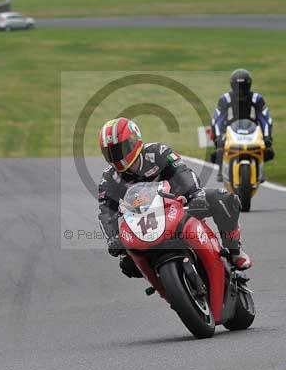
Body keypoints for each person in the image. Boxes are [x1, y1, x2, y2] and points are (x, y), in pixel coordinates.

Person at [97, 117, 252, 278]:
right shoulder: (109, 178)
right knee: (128, 264)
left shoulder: (158, 152)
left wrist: (195, 194)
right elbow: (106, 211)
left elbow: (183, 172)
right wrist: (112, 237)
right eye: (110, 152)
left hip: (180, 205)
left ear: (133, 141)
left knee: (224, 199)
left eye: (119, 149)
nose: (116, 156)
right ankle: (166, 282)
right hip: (144, 224)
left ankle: (234, 250)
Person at [211, 69, 273, 182]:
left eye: (243, 86)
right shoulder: (225, 99)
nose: (240, 90)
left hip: (252, 129)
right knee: (219, 149)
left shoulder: (257, 98)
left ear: (248, 85)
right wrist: (219, 137)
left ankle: (260, 168)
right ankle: (221, 169)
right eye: (238, 86)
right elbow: (217, 119)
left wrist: (267, 135)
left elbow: (265, 118)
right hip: (229, 130)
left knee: (267, 149)